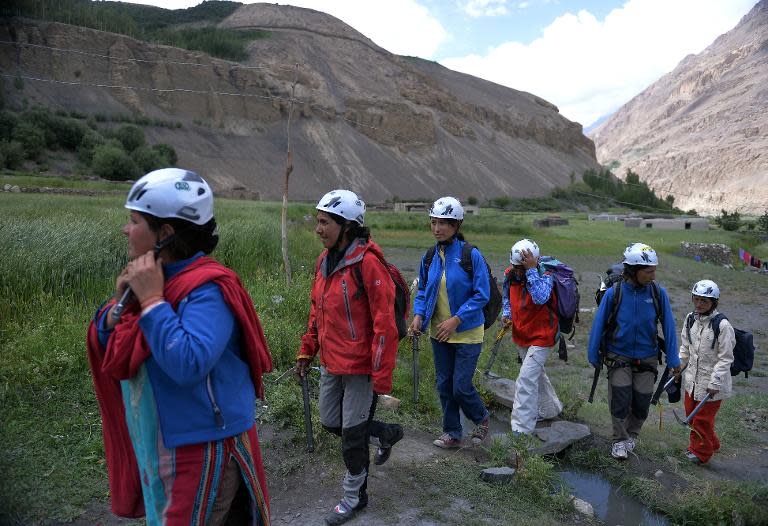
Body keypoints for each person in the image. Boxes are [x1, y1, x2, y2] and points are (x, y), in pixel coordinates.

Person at [86, 168, 272, 525]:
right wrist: (117, 310)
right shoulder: (154, 279)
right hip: (163, 438)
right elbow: (122, 348)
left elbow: (188, 362)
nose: (126, 229)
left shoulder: (208, 289)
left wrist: (153, 303)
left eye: (134, 220)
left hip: (203, 445)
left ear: (165, 233)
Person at [296, 189, 403, 526]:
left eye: (325, 222)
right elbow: (319, 311)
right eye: (318, 221)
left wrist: (380, 378)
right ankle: (385, 432)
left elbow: (385, 325)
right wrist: (306, 350)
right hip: (331, 362)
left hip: (360, 368)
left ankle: (354, 497)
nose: (318, 228)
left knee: (352, 439)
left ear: (346, 226)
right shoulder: (324, 262)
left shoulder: (368, 263)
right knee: (331, 422)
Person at [410, 196, 491, 449]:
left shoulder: (470, 255)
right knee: (444, 384)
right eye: (433, 222)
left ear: (456, 225)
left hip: (466, 332)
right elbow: (423, 290)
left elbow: (482, 294)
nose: (437, 228)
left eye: (443, 223)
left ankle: (482, 419)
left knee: (461, 386)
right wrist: (418, 314)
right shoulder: (430, 256)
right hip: (439, 332)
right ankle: (453, 433)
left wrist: (457, 319)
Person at [588, 242, 680, 460]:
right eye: (648, 271)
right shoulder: (614, 293)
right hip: (618, 355)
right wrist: (593, 354)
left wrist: (674, 358)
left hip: (647, 356)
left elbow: (668, 325)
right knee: (620, 397)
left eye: (654, 270)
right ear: (633, 270)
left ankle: (632, 435)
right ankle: (619, 440)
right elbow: (599, 324)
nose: (653, 276)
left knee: (642, 400)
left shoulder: (658, 293)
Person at [501, 238, 563, 436]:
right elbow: (506, 297)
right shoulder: (510, 274)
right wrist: (507, 315)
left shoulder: (546, 274)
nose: (517, 270)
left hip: (543, 336)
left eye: (521, 267)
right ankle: (551, 409)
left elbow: (540, 297)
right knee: (536, 374)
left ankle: (521, 429)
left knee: (526, 380)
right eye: (516, 266)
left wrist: (531, 270)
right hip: (522, 332)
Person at [679, 279, 735, 465]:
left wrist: (715, 383)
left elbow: (725, 358)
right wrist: (678, 367)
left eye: (704, 301)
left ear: (713, 303)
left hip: (712, 384)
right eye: (696, 299)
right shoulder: (690, 320)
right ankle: (712, 443)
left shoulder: (723, 326)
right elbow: (685, 348)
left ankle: (700, 453)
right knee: (692, 413)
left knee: (702, 419)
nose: (699, 304)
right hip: (692, 381)